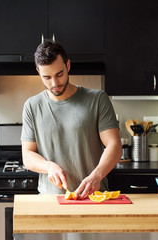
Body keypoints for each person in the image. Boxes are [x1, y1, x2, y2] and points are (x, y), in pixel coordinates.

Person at [21, 40, 122, 199]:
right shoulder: (32, 106)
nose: (55, 83)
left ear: (68, 66)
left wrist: (96, 175)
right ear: (38, 72)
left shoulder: (97, 99)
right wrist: (48, 166)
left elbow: (115, 146)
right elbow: (27, 155)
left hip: (93, 197)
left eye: (59, 74)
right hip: (50, 199)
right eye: (47, 77)